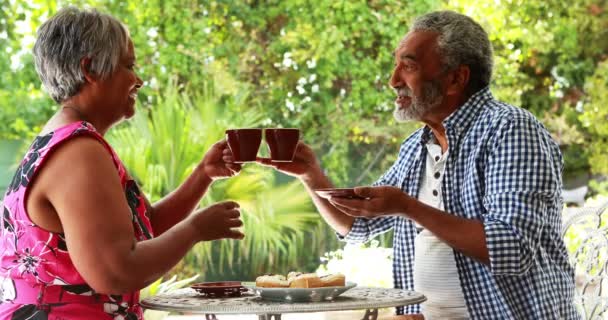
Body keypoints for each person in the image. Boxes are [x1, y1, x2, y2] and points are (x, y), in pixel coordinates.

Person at [257, 10, 579, 319]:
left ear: (456, 78)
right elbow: (358, 226)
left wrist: (408, 207)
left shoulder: (510, 129)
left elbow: (512, 248)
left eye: (407, 67)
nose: (392, 80)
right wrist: (310, 174)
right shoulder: (416, 147)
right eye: (395, 66)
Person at [0, 7, 244, 319]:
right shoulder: (78, 152)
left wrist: (203, 175)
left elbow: (145, 229)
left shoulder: (68, 140)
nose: (138, 80)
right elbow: (114, 270)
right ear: (90, 70)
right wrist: (195, 229)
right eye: (128, 65)